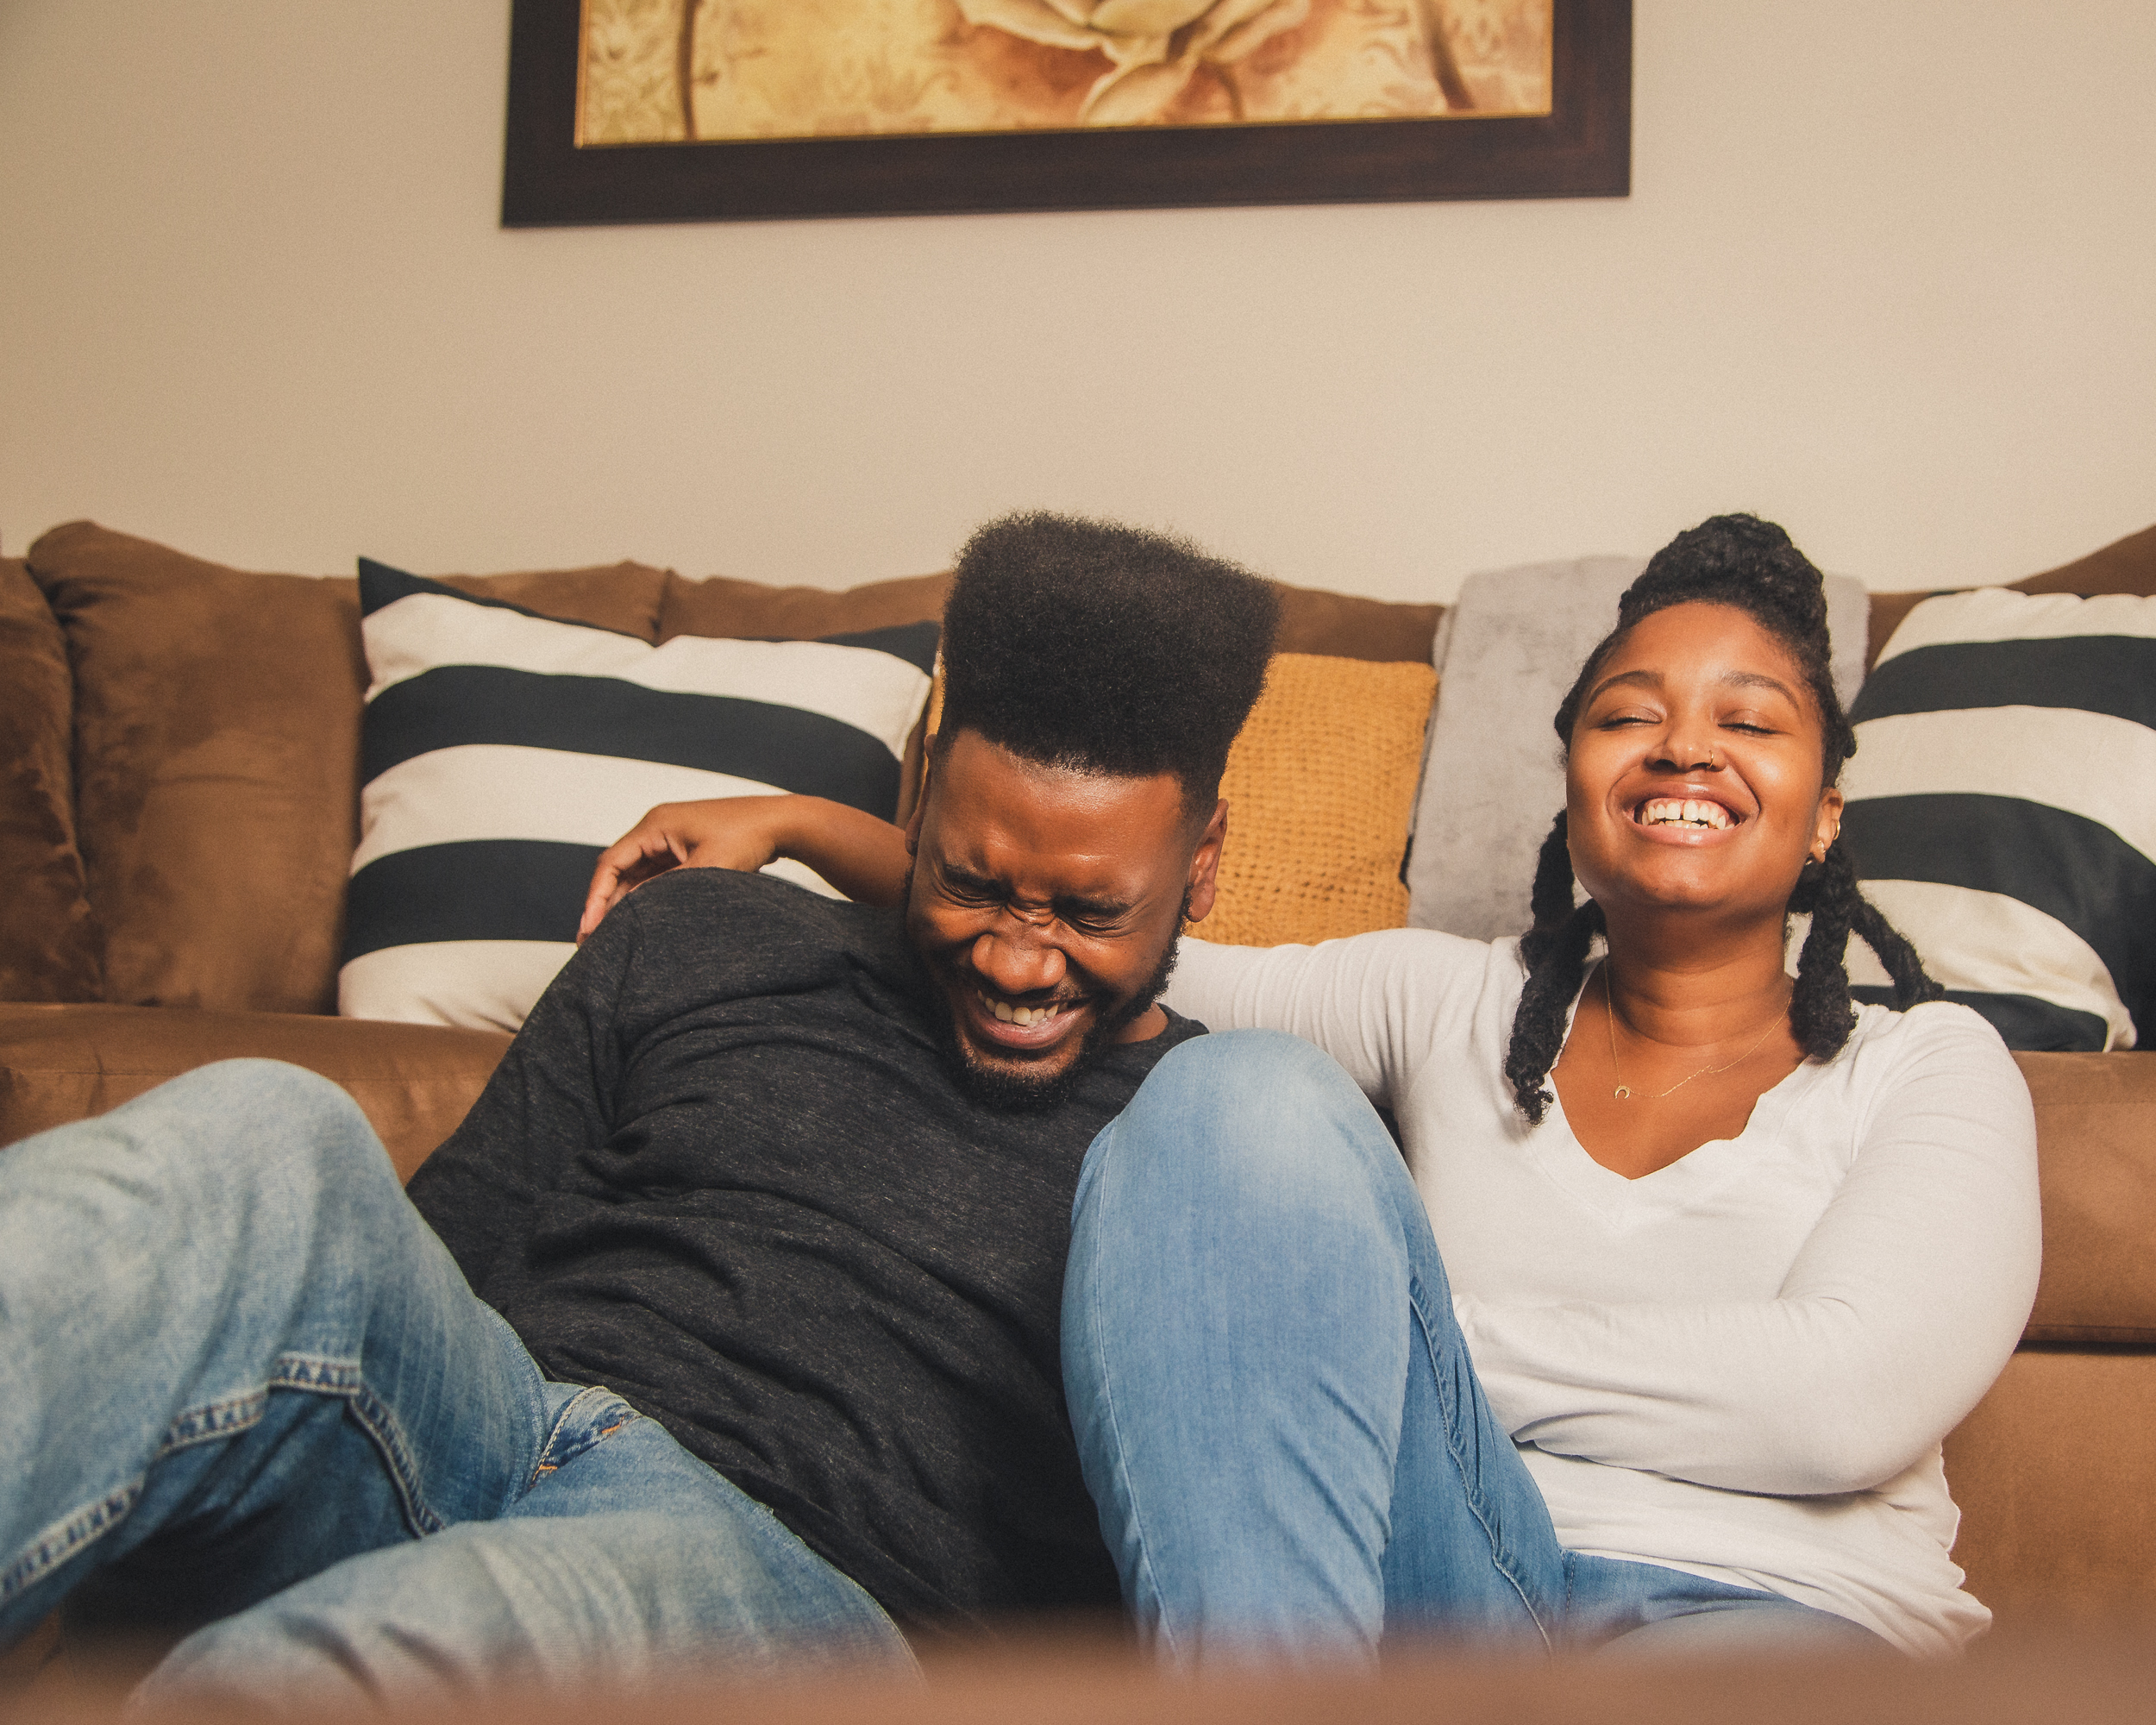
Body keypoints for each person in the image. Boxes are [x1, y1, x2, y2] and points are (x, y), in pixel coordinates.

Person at [586, 516, 2041, 1664]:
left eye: (1751, 720)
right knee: (1238, 1100)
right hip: (1453, 1591)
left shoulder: (1929, 1065)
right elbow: (1103, 938)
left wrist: (1362, 1339)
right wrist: (801, 823)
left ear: (1826, 810)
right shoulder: (1447, 1000)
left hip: (1773, 1624)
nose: (1684, 746)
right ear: (1573, 776)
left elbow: (1837, 1404)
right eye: (1629, 713)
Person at [0, 512, 1279, 1706]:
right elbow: (440, 1256)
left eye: (1089, 913)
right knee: (267, 1139)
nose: (1016, 959)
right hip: (487, 1414)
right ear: (919, 798)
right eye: (971, 884)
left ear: (1204, 861)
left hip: (784, 1582)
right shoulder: (705, 933)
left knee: (432, 1632)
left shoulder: (1222, 1148)